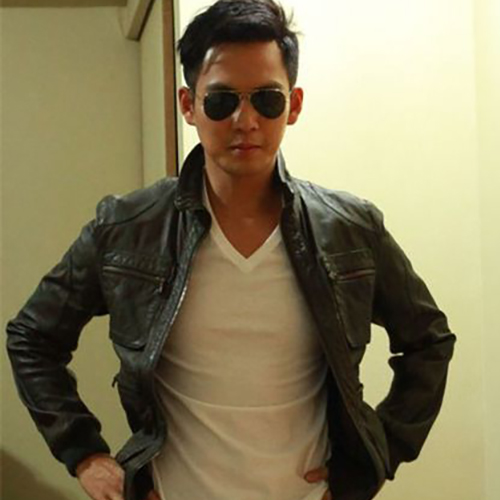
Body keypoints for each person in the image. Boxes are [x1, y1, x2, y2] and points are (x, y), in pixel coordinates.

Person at [6, 1, 456, 499]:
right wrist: (85, 454)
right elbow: (32, 337)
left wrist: (374, 457)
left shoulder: (350, 229)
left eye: (267, 100)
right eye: (222, 101)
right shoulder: (127, 227)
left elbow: (428, 341)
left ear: (295, 105)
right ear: (188, 105)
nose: (246, 120)